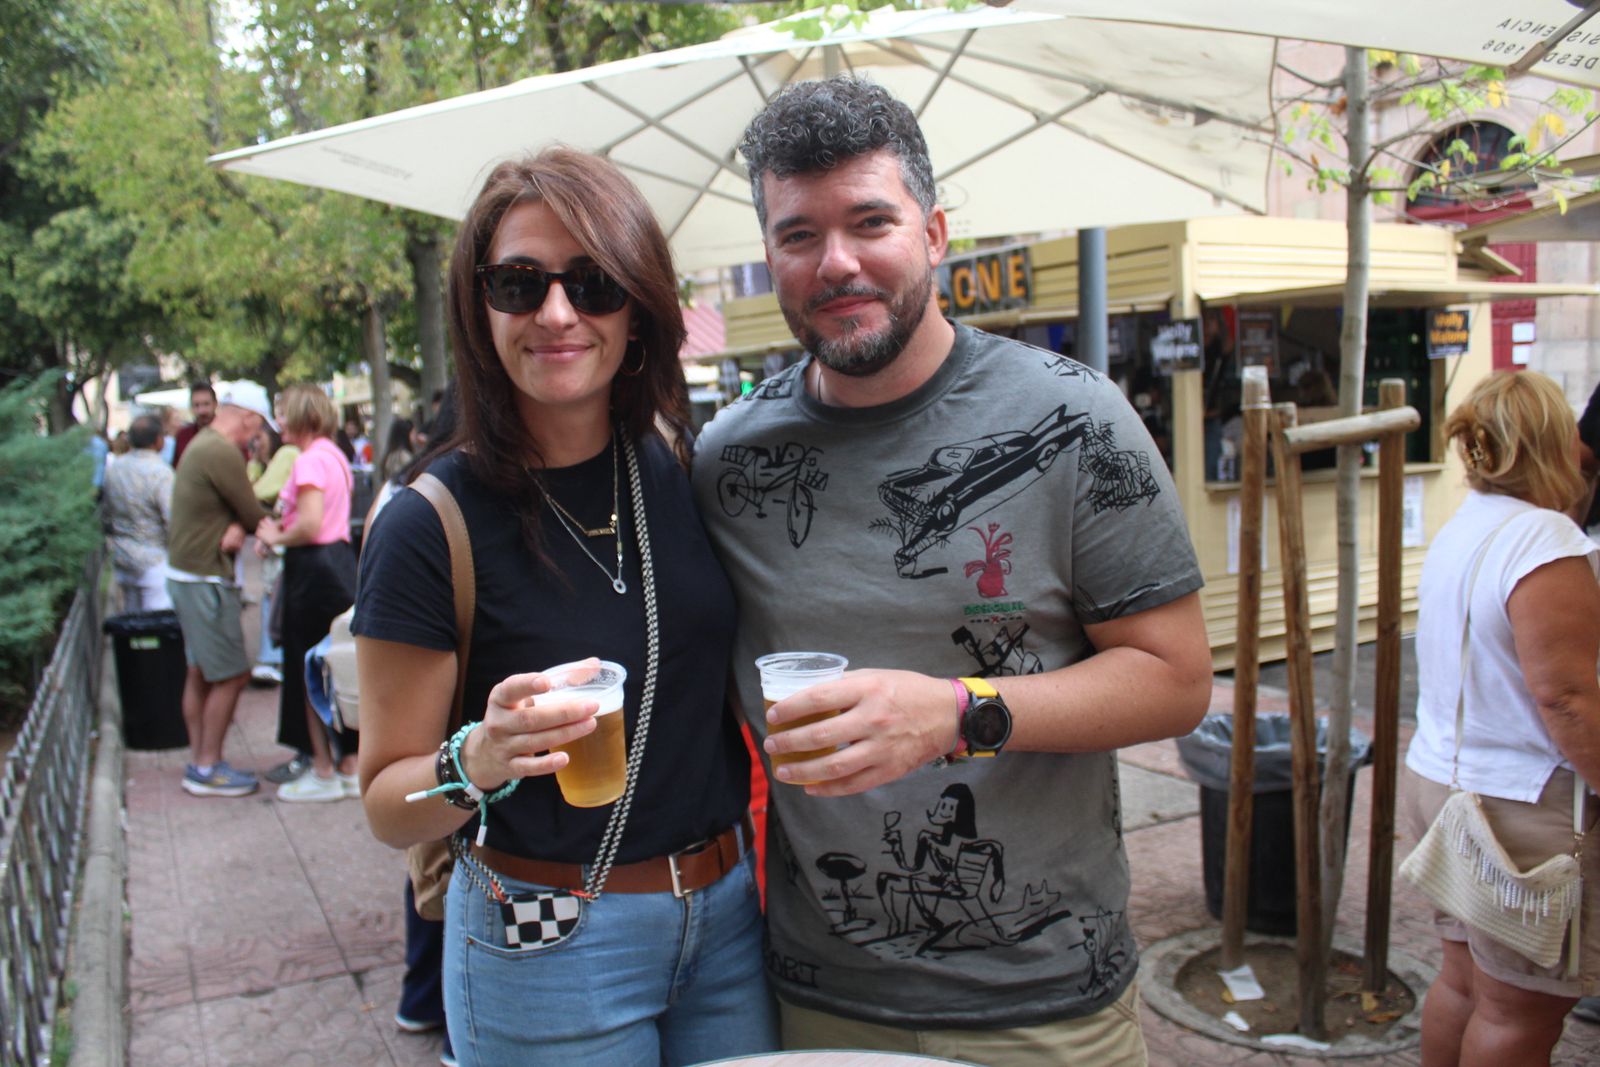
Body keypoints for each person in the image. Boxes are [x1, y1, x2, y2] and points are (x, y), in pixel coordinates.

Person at [691, 77, 1211, 1064]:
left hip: (1044, 1004)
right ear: (770, 254)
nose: (836, 262)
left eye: (870, 221)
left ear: (933, 233)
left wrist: (958, 711)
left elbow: (1178, 679)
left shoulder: (1075, 419)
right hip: (813, 993)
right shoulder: (729, 461)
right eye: (799, 234)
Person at [353, 148, 776, 1066]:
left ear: (638, 308)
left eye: (592, 284)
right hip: (547, 935)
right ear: (480, 307)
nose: (556, 313)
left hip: (725, 921)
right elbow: (388, 803)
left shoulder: (679, 463)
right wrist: (477, 757)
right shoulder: (428, 525)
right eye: (519, 283)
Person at [1402, 370, 1600, 1066]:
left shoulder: (1466, 524)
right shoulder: (1546, 538)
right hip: (1517, 807)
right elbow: (1566, 698)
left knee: (1464, 983)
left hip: (1442, 784)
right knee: (1518, 1012)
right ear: (1553, 442)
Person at [166, 382, 273, 797]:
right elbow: (252, 512)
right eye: (258, 426)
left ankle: (201, 758)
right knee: (231, 674)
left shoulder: (204, 445)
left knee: (200, 673)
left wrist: (235, 524)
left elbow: (233, 512)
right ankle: (207, 767)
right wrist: (253, 523)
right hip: (205, 579)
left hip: (188, 576)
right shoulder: (221, 451)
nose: (257, 435)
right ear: (247, 416)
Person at [258, 384, 359, 802]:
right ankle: (349, 764)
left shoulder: (309, 461)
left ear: (303, 416)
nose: (278, 420)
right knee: (339, 666)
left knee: (308, 670)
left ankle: (322, 768)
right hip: (338, 566)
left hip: (313, 571)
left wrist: (275, 536)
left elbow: (311, 524)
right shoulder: (334, 456)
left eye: (283, 412)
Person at [103, 414, 174, 612]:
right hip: (154, 561)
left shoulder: (114, 468)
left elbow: (106, 513)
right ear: (158, 439)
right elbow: (173, 519)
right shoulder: (161, 473)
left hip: (122, 557)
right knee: (158, 622)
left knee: (131, 620)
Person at [248, 424, 300, 691]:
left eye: (259, 437)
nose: (255, 443)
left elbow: (257, 493)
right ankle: (273, 655)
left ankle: (272, 656)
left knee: (276, 594)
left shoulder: (289, 454)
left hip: (283, 539)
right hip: (275, 536)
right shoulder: (259, 464)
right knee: (273, 593)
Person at [171, 381, 217, 468]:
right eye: (196, 405)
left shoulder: (229, 434)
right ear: (191, 407)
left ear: (215, 404)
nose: (201, 411)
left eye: (206, 404)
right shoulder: (183, 436)